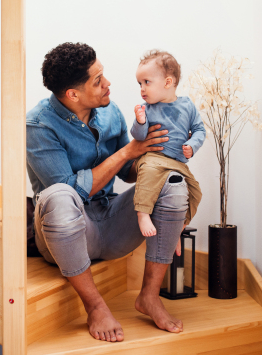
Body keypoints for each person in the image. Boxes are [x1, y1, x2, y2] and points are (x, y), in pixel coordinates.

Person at [27, 42, 190, 343]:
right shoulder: (38, 125)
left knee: (172, 181)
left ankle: (150, 297)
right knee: (59, 196)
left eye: (104, 75)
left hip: (111, 221)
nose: (108, 84)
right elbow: (73, 190)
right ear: (73, 94)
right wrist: (127, 151)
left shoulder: (109, 110)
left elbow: (126, 173)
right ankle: (96, 305)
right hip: (67, 233)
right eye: (97, 80)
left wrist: (155, 159)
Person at [131, 50, 205, 237]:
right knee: (146, 174)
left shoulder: (187, 106)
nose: (142, 88)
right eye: (139, 83)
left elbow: (199, 130)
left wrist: (192, 145)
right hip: (153, 158)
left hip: (178, 163)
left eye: (147, 82)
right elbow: (139, 136)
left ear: (168, 82)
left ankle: (180, 224)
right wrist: (139, 122)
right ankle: (143, 213)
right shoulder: (146, 109)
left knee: (196, 192)